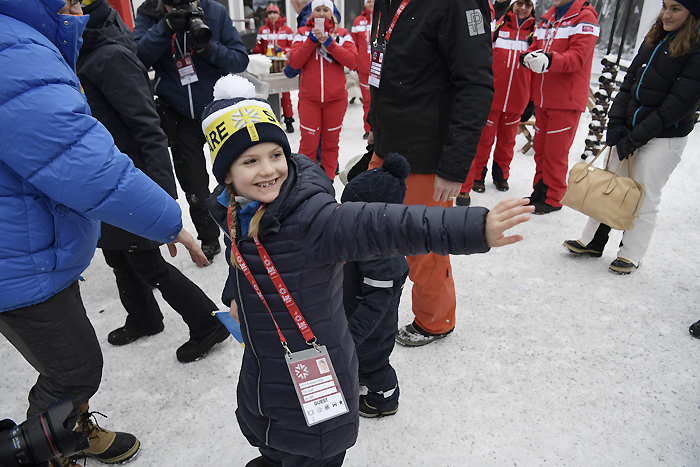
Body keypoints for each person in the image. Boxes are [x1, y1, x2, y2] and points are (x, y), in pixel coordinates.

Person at [202, 75, 533, 467]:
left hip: (313, 369)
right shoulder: (235, 212)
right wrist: (236, 295)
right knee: (273, 438)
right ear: (226, 175)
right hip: (265, 364)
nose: (268, 170)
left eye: (276, 155)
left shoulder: (313, 220)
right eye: (250, 161)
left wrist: (473, 228)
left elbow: (387, 225)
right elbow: (239, 257)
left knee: (308, 450)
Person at [0, 0, 208, 465]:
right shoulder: (12, 49)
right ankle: (44, 453)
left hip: (38, 243)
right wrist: (168, 219)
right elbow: (81, 160)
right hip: (20, 254)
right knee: (74, 371)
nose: (76, 6)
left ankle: (72, 431)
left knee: (64, 356)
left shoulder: (32, 39)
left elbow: (139, 130)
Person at [78, 0, 229, 363]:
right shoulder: (89, 50)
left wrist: (160, 196)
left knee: (145, 259)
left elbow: (149, 129)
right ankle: (144, 317)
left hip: (130, 178)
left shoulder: (110, 56)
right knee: (116, 254)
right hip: (106, 174)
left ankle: (207, 321)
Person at [367, 0, 494, 346]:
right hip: (388, 144)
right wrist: (374, 124)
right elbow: (383, 67)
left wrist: (453, 166)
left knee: (422, 245)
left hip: (426, 155)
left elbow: (475, 87)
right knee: (372, 231)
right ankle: (371, 308)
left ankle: (434, 320)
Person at [563, 0, 700, 274]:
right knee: (609, 185)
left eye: (676, 9)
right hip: (628, 130)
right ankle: (593, 240)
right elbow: (628, 85)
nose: (666, 14)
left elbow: (678, 104)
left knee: (643, 194)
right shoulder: (653, 40)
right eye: (664, 7)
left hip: (664, 137)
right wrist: (614, 124)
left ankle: (631, 253)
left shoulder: (695, 50)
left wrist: (636, 137)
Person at [133, 0, 250, 262]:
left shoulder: (214, 11)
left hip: (216, 109)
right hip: (177, 114)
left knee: (236, 173)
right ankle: (208, 237)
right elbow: (136, 57)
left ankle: (245, 229)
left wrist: (209, 49)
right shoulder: (150, 13)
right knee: (194, 183)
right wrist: (164, 28)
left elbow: (240, 59)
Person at [341, 154, 409, 418]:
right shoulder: (367, 238)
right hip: (356, 314)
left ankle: (385, 399)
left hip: (372, 328)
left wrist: (353, 334)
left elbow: (377, 302)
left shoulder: (382, 254)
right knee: (360, 358)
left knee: (374, 364)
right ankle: (360, 370)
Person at [519, 0, 599, 214]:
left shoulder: (585, 17)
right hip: (544, 97)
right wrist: (529, 56)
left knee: (555, 152)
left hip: (566, 99)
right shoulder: (549, 17)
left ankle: (554, 197)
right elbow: (537, 47)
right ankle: (539, 192)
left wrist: (549, 60)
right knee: (541, 149)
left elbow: (579, 57)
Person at [457, 0, 536, 205]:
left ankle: (501, 175)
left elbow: (538, 70)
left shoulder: (534, 33)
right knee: (484, 140)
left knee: (507, 142)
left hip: (518, 99)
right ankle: (477, 176)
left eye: (527, 4)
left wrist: (532, 100)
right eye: (519, 3)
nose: (523, 8)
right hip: (492, 97)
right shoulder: (499, 27)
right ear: (512, 5)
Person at [289, 0, 357, 179]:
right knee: (308, 145)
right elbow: (295, 62)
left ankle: (328, 183)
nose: (321, 13)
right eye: (317, 9)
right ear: (311, 14)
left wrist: (330, 43)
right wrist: (311, 41)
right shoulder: (302, 33)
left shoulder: (342, 34)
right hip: (309, 100)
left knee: (330, 144)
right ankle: (304, 184)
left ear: (332, 12)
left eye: (325, 9)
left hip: (335, 100)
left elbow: (352, 61)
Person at [252, 4, 296, 133]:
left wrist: (282, 50)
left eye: (274, 12)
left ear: (279, 14)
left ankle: (288, 119)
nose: (272, 15)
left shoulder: (287, 30)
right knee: (267, 93)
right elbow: (258, 49)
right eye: (269, 13)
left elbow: (293, 48)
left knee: (285, 93)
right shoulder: (262, 30)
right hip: (267, 66)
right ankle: (271, 120)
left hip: (282, 65)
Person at [351, 0, 374, 140]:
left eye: (373, 1)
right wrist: (354, 65)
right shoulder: (358, 21)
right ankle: (368, 128)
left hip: (382, 68)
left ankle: (381, 126)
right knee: (367, 100)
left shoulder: (383, 17)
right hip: (364, 68)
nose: (371, 3)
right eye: (369, 1)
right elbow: (353, 44)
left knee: (382, 99)